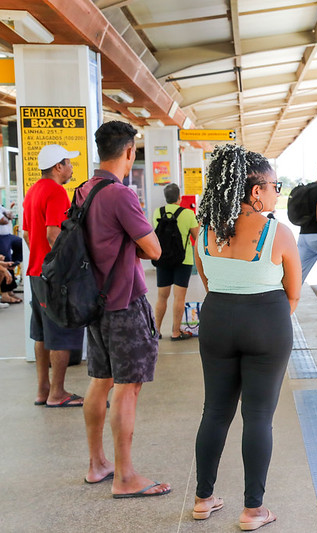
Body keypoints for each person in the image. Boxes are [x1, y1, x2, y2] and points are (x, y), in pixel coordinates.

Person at [192, 144, 300, 529]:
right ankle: (253, 510)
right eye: (275, 185)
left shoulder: (202, 230)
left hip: (218, 320)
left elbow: (208, 282)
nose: (277, 192)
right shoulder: (279, 233)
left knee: (215, 412)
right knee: (258, 416)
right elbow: (293, 291)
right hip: (267, 320)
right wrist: (268, 325)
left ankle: (203, 499)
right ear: (256, 192)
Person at [77, 121, 171, 498]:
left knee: (100, 382)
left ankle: (98, 464)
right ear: (130, 152)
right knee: (127, 389)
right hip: (123, 304)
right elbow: (154, 250)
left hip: (95, 305)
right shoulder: (120, 195)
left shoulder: (83, 190)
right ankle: (126, 476)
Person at [22, 144, 85, 407]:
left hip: (36, 274)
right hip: (54, 278)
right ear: (58, 166)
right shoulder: (57, 192)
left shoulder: (32, 191)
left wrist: (41, 260)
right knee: (60, 332)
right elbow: (53, 233)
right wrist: (63, 267)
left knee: (41, 334)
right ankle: (57, 393)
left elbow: (26, 234)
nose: (71, 167)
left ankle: (43, 390)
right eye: (69, 163)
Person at [152, 183, 199, 340]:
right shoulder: (188, 214)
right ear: (179, 197)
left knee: (161, 296)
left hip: (163, 259)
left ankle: (156, 330)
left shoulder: (157, 212)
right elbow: (197, 237)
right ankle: (175, 332)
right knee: (179, 297)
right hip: (183, 260)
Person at [0, 202, 23, 304]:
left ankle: (13, 264)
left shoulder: (1, 207)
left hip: (8, 236)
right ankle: (6, 293)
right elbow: (3, 221)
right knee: (5, 259)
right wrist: (6, 215)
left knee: (21, 244)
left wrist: (8, 214)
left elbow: (11, 215)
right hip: (1, 237)